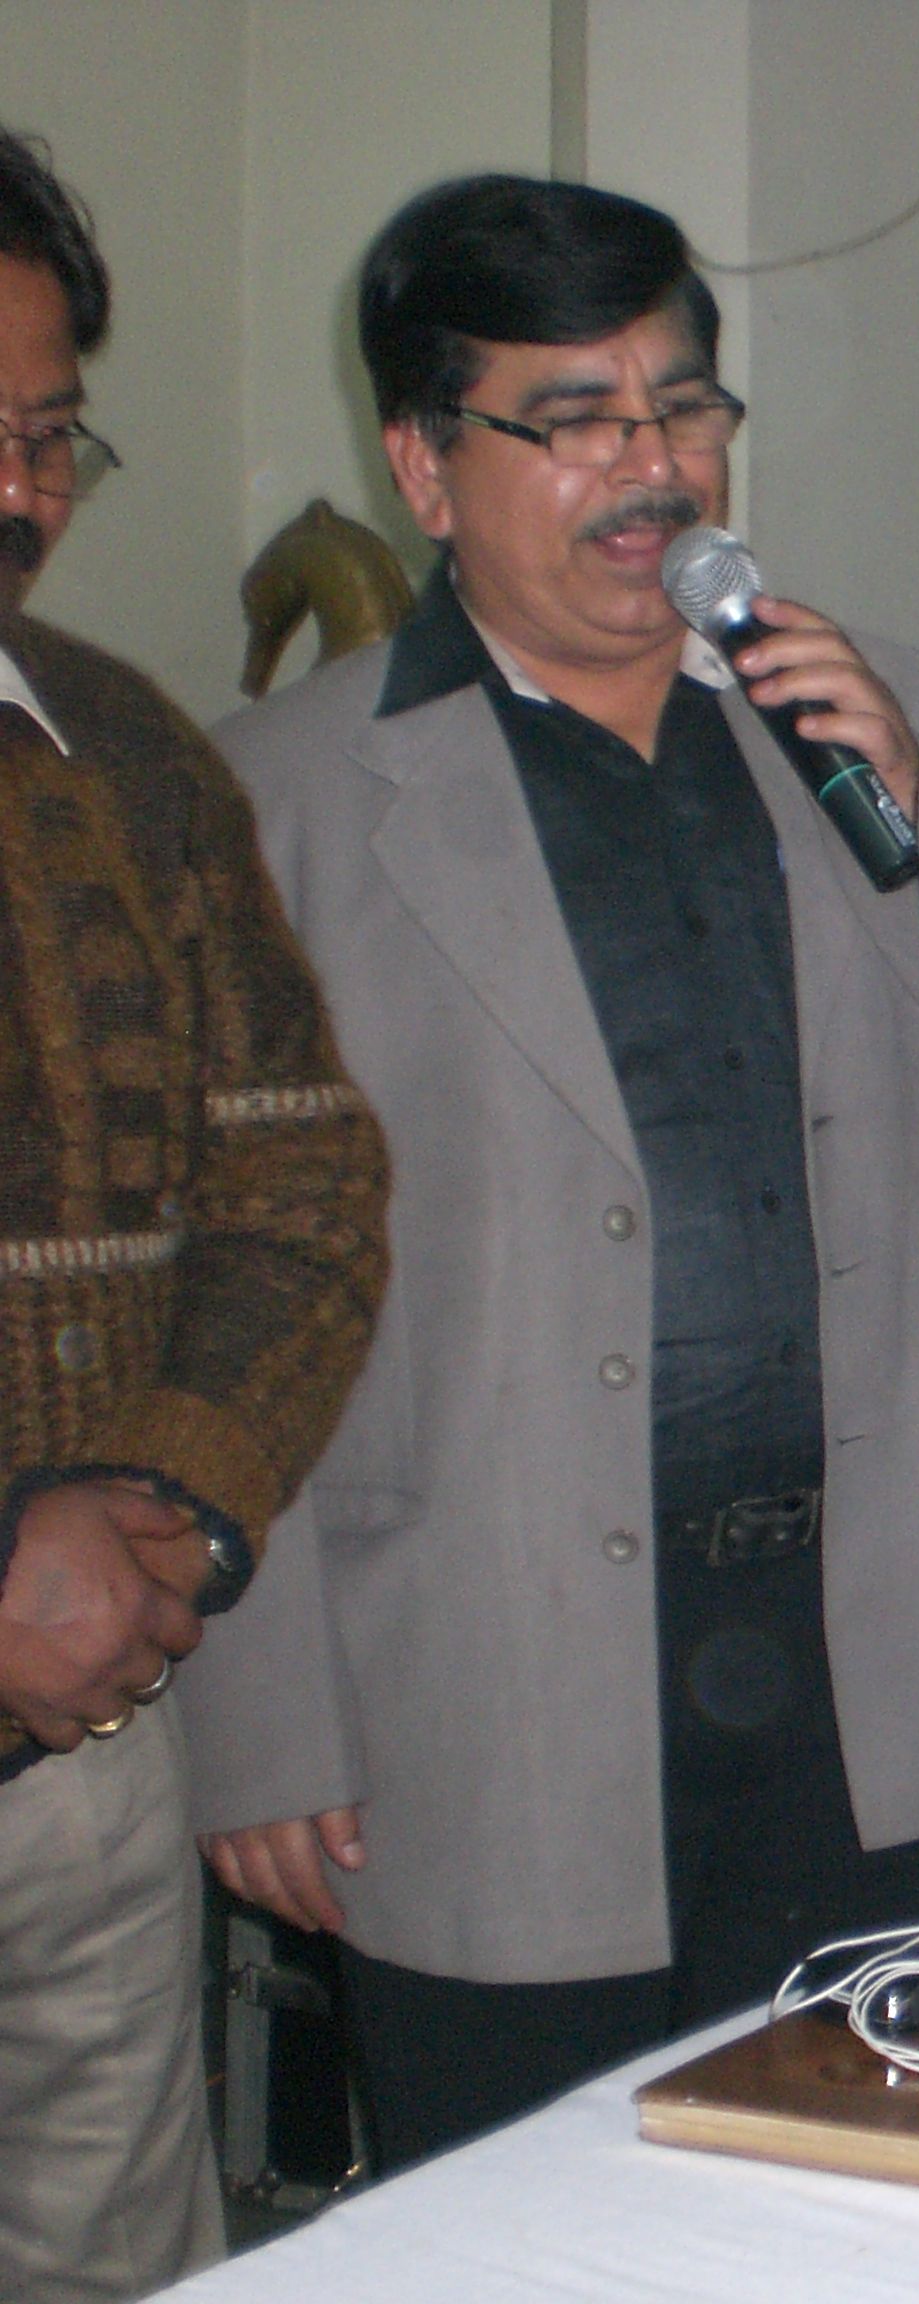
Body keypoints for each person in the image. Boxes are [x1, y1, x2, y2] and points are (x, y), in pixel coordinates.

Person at [178, 175, 919, 2170]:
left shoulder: (907, 719)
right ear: (424, 466)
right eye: (574, 420)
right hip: (484, 1686)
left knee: (881, 2231)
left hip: (866, 1668)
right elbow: (214, 1275)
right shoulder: (269, 800)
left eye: (685, 407)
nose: (652, 467)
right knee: (524, 2243)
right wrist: (263, 1711)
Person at [0, 125, 389, 2301]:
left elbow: (303, 1174)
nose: (19, 492)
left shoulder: (128, 753)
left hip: (81, 1764)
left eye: (49, 435)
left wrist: (160, 1513)